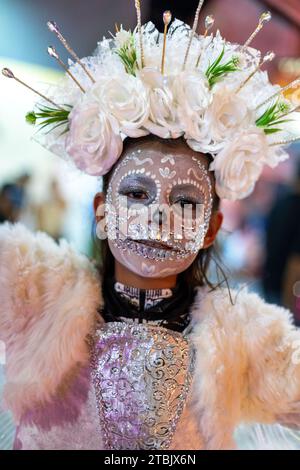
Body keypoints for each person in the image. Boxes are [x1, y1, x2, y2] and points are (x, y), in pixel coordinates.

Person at [1, 2, 300, 451]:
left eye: (185, 201)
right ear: (102, 211)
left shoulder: (245, 333)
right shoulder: (39, 292)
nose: (159, 215)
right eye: (137, 193)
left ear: (212, 227)